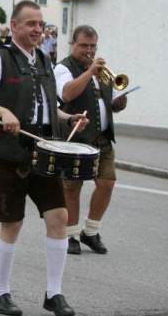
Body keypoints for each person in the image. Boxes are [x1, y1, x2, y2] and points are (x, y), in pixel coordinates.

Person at [0, 0, 87, 316]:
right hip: (7, 153)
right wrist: (1, 111)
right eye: (31, 23)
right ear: (14, 26)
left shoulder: (45, 59)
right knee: (12, 223)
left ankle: (54, 293)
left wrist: (68, 118)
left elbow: (48, 105)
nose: (37, 29)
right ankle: (1, 293)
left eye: (40, 24)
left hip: (44, 150)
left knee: (59, 217)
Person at [54, 25, 127, 255]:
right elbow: (67, 94)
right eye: (84, 45)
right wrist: (90, 73)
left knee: (107, 183)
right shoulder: (63, 68)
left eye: (93, 46)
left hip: (102, 138)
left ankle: (91, 231)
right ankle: (70, 234)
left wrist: (119, 103)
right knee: (72, 188)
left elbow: (109, 102)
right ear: (72, 44)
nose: (89, 50)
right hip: (75, 138)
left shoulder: (101, 70)